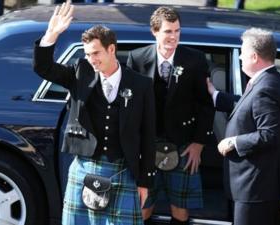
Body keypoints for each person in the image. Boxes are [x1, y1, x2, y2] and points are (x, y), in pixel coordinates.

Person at [33, 2, 156, 224]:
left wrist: (145, 181)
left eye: (96, 53)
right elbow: (43, 68)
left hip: (123, 169)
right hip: (85, 166)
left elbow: (148, 136)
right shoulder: (81, 73)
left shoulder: (141, 85)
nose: (92, 59)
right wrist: (51, 34)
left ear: (112, 49)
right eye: (88, 54)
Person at [127, 6, 215, 225]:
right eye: (168, 31)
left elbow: (206, 104)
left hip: (183, 142)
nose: (173, 36)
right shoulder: (137, 58)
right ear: (154, 31)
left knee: (180, 208)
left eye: (177, 31)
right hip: (146, 145)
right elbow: (129, 107)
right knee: (143, 205)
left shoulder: (194, 60)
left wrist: (198, 143)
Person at [212, 28, 280, 225]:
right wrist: (215, 96)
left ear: (255, 56)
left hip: (258, 190)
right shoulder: (270, 81)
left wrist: (234, 141)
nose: (239, 56)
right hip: (260, 188)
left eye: (242, 52)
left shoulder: (265, 89)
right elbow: (248, 106)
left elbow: (269, 133)